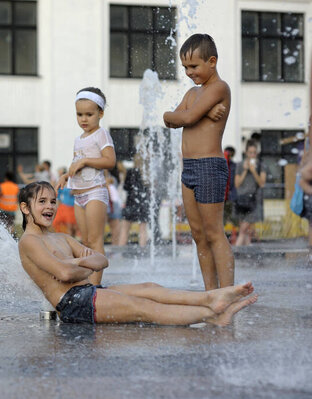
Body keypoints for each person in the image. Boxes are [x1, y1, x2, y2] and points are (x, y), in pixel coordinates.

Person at [17, 181, 258, 325]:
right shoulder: (29, 242)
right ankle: (211, 316)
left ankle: (210, 298)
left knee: (148, 287)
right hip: (72, 303)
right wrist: (83, 261)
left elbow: (103, 260)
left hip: (88, 291)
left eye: (52, 201)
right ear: (25, 208)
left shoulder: (60, 238)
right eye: (42, 202)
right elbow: (64, 272)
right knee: (141, 306)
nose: (49, 207)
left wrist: (81, 263)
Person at [162, 33, 233, 290]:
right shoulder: (194, 93)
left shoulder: (219, 88)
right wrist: (174, 114)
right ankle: (210, 295)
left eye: (194, 66)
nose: (189, 72)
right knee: (198, 235)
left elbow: (186, 117)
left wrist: (186, 115)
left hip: (209, 166)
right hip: (189, 168)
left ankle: (227, 295)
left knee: (214, 233)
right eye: (185, 68)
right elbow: (169, 120)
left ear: (212, 61)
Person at [55, 87, 116, 286]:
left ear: (101, 113)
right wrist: (66, 175)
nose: (84, 119)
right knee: (86, 241)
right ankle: (89, 281)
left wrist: (85, 161)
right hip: (78, 195)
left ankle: (96, 285)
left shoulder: (101, 135)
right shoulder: (78, 139)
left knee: (96, 239)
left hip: (95, 192)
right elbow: (77, 162)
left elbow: (110, 161)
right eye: (79, 114)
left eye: (89, 114)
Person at [234, 140, 267, 246]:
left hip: (253, 201)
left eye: (254, 152)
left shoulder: (261, 166)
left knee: (243, 231)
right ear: (246, 153)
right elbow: (237, 184)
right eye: (250, 152)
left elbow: (262, 183)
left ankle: (236, 253)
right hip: (241, 200)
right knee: (246, 232)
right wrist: (245, 170)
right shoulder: (240, 165)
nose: (252, 155)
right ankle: (246, 256)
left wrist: (253, 171)